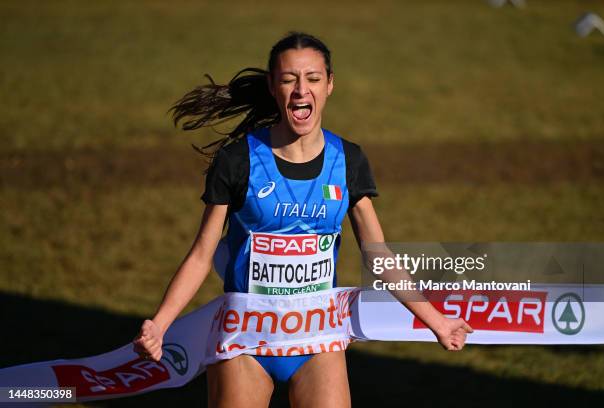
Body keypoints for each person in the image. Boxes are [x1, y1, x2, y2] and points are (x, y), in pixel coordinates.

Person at [133, 32, 473, 407]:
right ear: (273, 86)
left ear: (329, 85)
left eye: (312, 78)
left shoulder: (349, 161)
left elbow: (379, 256)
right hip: (246, 338)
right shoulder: (237, 161)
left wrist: (438, 321)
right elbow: (201, 255)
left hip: (318, 339)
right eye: (288, 78)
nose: (300, 90)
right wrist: (160, 323)